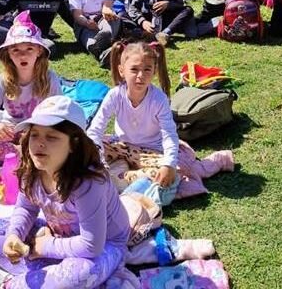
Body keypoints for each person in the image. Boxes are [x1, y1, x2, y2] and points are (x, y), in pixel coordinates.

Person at [0, 96, 130, 289]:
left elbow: (91, 245)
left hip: (104, 244)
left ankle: (9, 284)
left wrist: (43, 246)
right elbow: (26, 209)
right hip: (58, 236)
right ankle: (46, 277)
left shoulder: (88, 182)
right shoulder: (32, 169)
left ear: (74, 144)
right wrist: (14, 236)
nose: (39, 143)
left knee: (82, 274)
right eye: (34, 135)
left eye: (51, 137)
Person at [88, 42, 233, 199]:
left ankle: (122, 178)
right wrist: (98, 161)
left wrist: (168, 165)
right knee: (84, 151)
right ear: (121, 71)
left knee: (170, 173)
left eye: (147, 69)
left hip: (152, 153)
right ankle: (124, 177)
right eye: (134, 69)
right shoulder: (115, 95)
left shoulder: (158, 99)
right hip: (123, 147)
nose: (140, 76)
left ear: (154, 71)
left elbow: (169, 134)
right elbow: (95, 130)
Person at [0, 12, 62, 165]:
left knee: (65, 140)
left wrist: (39, 131)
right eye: (16, 50)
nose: (22, 55)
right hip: (10, 132)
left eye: (29, 49)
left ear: (39, 51)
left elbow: (60, 113)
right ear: (8, 54)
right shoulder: (3, 80)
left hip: (39, 132)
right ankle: (24, 156)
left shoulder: (50, 79)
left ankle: (17, 156)